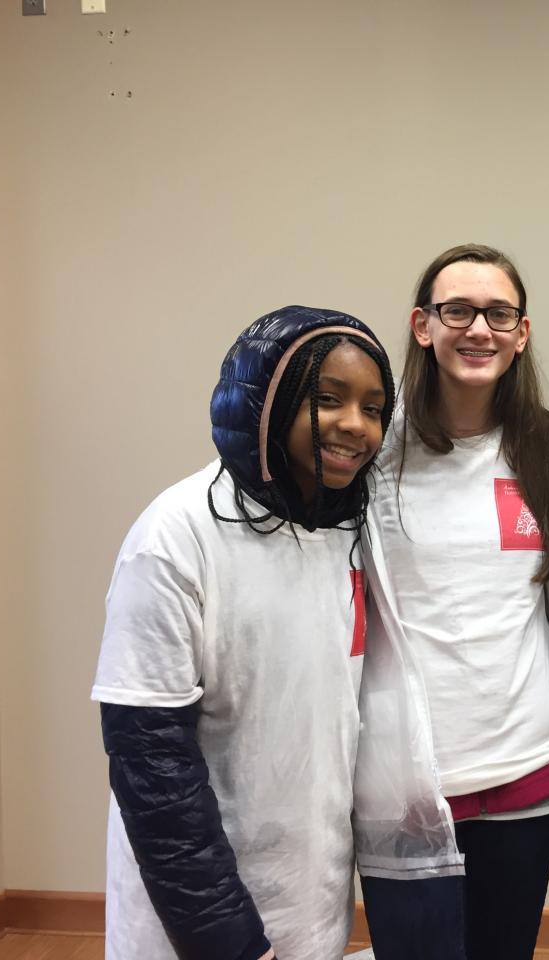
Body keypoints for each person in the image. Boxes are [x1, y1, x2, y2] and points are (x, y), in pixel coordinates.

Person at [92, 306, 396, 960]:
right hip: (196, 925)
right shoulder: (175, 537)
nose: (356, 425)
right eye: (327, 399)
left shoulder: (352, 532)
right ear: (267, 402)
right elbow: (151, 766)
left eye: (373, 408)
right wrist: (226, 939)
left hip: (311, 898)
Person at [354, 244, 549, 960]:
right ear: (423, 325)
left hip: (525, 763)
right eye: (458, 311)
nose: (479, 329)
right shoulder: (374, 452)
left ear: (521, 333)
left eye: (498, 314)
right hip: (408, 776)